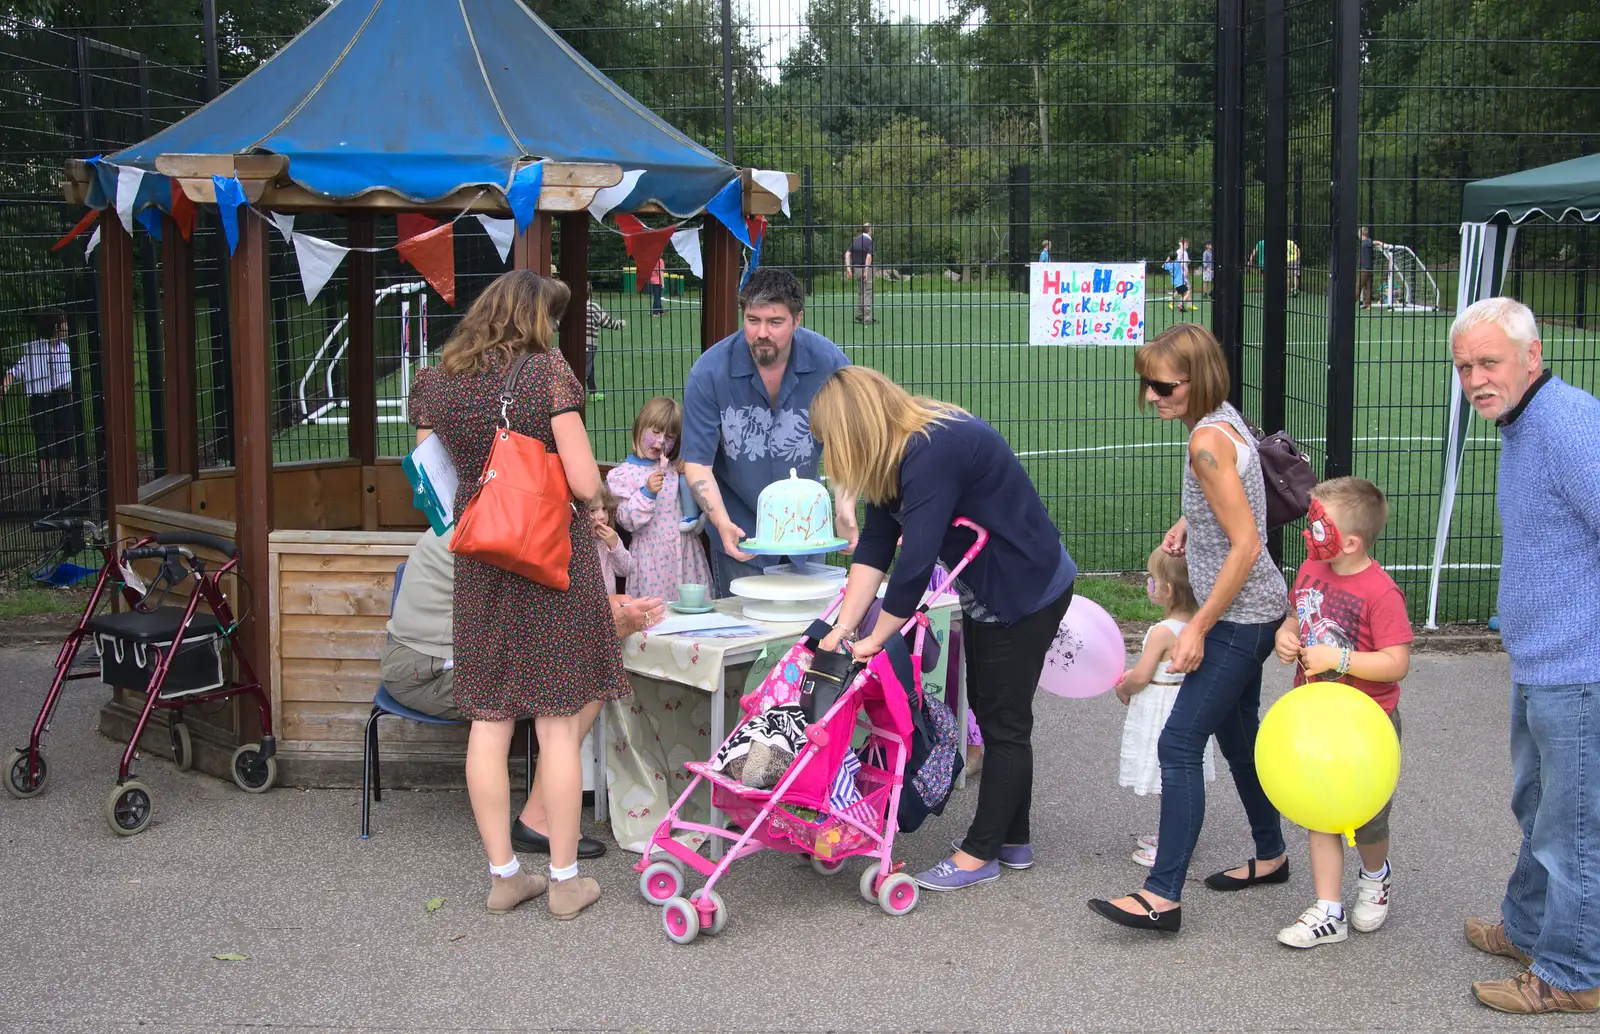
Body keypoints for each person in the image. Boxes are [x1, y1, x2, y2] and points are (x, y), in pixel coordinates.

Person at [408, 270, 628, 921]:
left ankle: (504, 875)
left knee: (489, 721)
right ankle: (563, 881)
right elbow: (587, 480)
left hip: (481, 565)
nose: (557, 329)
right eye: (553, 318)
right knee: (558, 725)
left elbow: (429, 478)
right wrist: (578, 490)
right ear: (533, 317)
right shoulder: (546, 373)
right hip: (550, 564)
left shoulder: (438, 382)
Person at [810, 366, 1077, 893]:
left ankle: (981, 854)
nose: (827, 454)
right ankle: (1012, 838)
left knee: (1003, 723)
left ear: (852, 430)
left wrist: (872, 640)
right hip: (991, 588)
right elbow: (876, 546)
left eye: (828, 440)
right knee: (988, 706)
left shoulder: (932, 450)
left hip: (1024, 590)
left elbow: (913, 564)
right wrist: (842, 627)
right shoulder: (892, 456)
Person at [1088, 323, 1288, 934]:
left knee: (1178, 744)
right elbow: (1236, 497)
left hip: (1240, 616)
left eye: (1162, 385)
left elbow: (1247, 543)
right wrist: (1189, 520)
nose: (1151, 396)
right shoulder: (1222, 420)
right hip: (1248, 609)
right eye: (1146, 384)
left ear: (1195, 382)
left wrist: (1198, 625)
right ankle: (1272, 854)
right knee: (1235, 738)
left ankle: (1161, 895)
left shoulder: (1206, 440)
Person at [1450, 297, 1600, 1014]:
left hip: (1580, 669)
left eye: (1489, 362)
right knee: (1538, 807)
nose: (1475, 378)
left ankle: (1574, 975)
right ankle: (1531, 928)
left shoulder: (1568, 424)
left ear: (1532, 356)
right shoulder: (1524, 422)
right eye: (1465, 367)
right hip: (1543, 661)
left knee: (1573, 831)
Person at [380, 524, 663, 860]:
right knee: (583, 680)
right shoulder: (499, 530)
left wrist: (602, 607)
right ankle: (538, 822)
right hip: (425, 671)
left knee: (581, 668)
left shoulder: (486, 512)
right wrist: (608, 623)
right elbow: (540, 628)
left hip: (439, 659)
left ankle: (527, 841)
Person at [1270, 477, 1411, 949]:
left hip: (1365, 727)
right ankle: (1328, 911)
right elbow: (1297, 616)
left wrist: (1340, 660)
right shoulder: (1311, 568)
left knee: (1367, 818)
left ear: (1350, 541)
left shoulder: (1381, 592)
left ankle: (1375, 874)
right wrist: (1285, 637)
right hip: (1315, 719)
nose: (1309, 532)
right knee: (1320, 811)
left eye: (1318, 525)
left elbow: (1397, 662)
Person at [680, 267, 855, 597]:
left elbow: (846, 445)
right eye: (752, 320)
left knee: (807, 636)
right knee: (747, 637)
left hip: (808, 533)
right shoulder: (709, 372)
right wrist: (720, 522)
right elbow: (697, 463)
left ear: (797, 320)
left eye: (775, 322)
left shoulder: (829, 362)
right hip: (741, 531)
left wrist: (844, 508)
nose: (762, 332)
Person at [1115, 547, 1214, 869]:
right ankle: (1174, 834)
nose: (1150, 583)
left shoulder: (1162, 632)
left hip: (1160, 709)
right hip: (1183, 703)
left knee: (1169, 778)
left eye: (1153, 579)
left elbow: (1143, 675)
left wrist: (1124, 687)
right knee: (1173, 777)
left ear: (1167, 589)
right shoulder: (1201, 627)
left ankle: (1175, 845)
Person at [606, 396, 712, 604]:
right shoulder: (623, 476)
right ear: (640, 427)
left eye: (670, 437)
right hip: (649, 560)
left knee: (693, 612)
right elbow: (626, 520)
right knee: (654, 617)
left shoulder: (675, 469)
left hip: (685, 554)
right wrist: (647, 492)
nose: (661, 441)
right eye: (655, 431)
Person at [3, 309, 76, 511]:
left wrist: (70, 398)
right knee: (46, 450)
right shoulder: (33, 349)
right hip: (42, 400)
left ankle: (63, 492)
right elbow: (15, 370)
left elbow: (69, 378)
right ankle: (45, 496)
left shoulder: (65, 349)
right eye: (64, 324)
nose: (67, 328)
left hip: (61, 399)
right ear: (55, 327)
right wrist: (5, 385)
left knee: (65, 447)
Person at [584, 285, 625, 401]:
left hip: (578, 344)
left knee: (589, 368)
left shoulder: (572, 306)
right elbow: (606, 322)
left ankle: (593, 393)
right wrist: (620, 323)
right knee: (586, 369)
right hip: (589, 344)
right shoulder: (593, 307)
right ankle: (575, 394)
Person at [589, 485, 631, 593]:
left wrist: (615, 545)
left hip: (609, 604)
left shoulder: (611, 539)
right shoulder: (574, 542)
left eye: (604, 509)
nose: (602, 516)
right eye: (593, 510)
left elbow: (625, 570)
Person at [845, 222, 875, 324]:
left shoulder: (856, 240)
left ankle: (859, 315)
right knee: (867, 292)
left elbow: (847, 253)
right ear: (870, 230)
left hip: (856, 269)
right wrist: (866, 271)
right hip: (865, 268)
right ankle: (867, 318)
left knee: (860, 292)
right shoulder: (869, 241)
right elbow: (869, 257)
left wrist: (848, 268)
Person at [1357, 227, 1387, 311]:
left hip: (1365, 269)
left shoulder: (1366, 242)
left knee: (1358, 286)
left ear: (1361, 234)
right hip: (1368, 268)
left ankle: (1350, 302)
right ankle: (1367, 304)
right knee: (1367, 286)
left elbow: (1375, 242)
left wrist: (1383, 244)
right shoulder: (1364, 243)